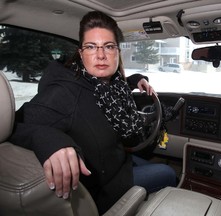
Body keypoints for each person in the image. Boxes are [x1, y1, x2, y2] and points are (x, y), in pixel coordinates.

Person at [9, 10, 176, 214]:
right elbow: (11, 125)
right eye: (91, 47)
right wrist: (49, 140)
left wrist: (139, 79)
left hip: (120, 163)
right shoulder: (65, 92)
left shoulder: (109, 85)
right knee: (169, 172)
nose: (100, 55)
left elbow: (121, 83)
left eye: (108, 47)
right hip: (107, 190)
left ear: (117, 52)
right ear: (81, 53)